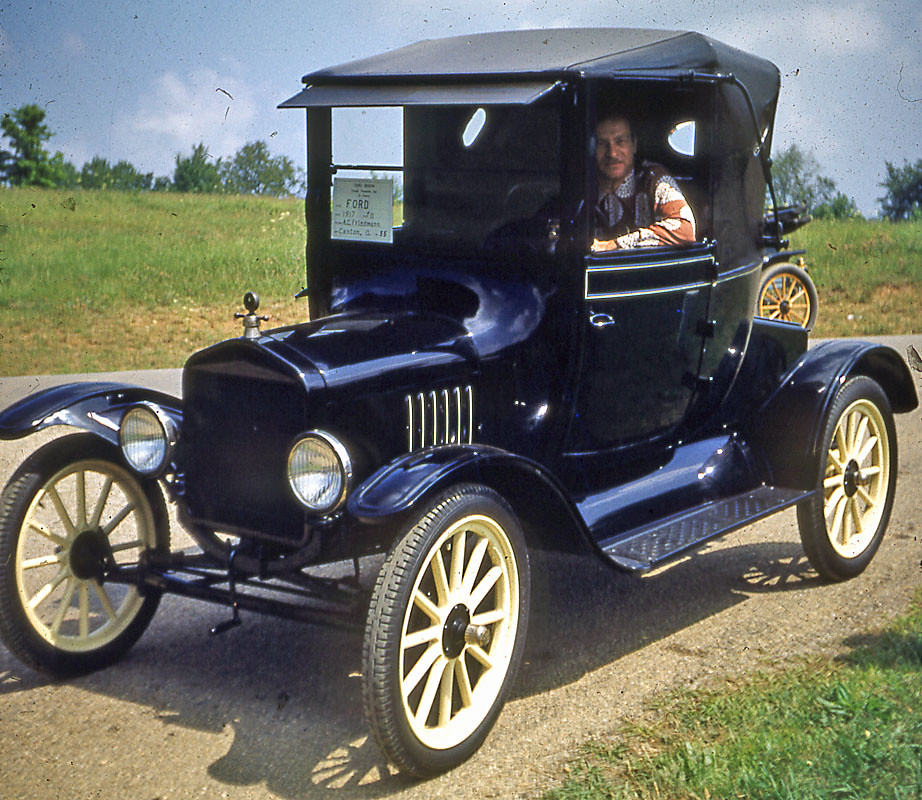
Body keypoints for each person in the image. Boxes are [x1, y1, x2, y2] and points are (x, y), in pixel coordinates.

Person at [591, 114, 696, 251]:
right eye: (602, 144)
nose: (612, 153)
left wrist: (615, 245)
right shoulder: (584, 183)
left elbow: (685, 230)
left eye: (620, 142)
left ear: (634, 145)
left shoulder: (653, 177)